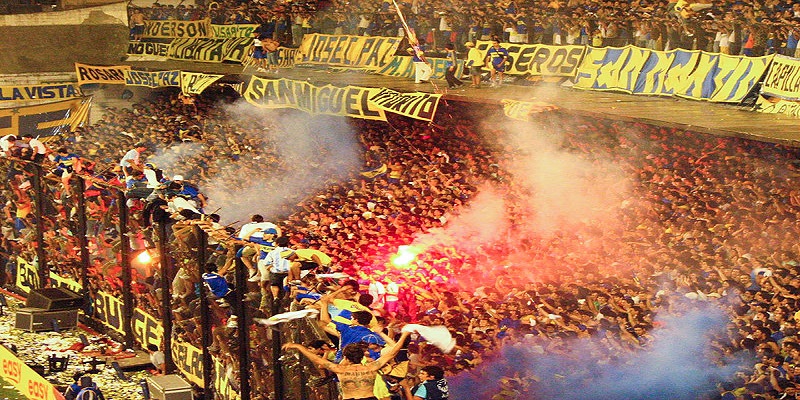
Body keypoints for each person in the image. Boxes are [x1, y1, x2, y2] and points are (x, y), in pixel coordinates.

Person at [282, 330, 412, 400]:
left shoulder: (340, 369)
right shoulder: (372, 367)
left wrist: (298, 347)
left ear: (346, 357)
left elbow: (317, 360)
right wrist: (404, 334)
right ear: (361, 356)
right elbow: (393, 352)